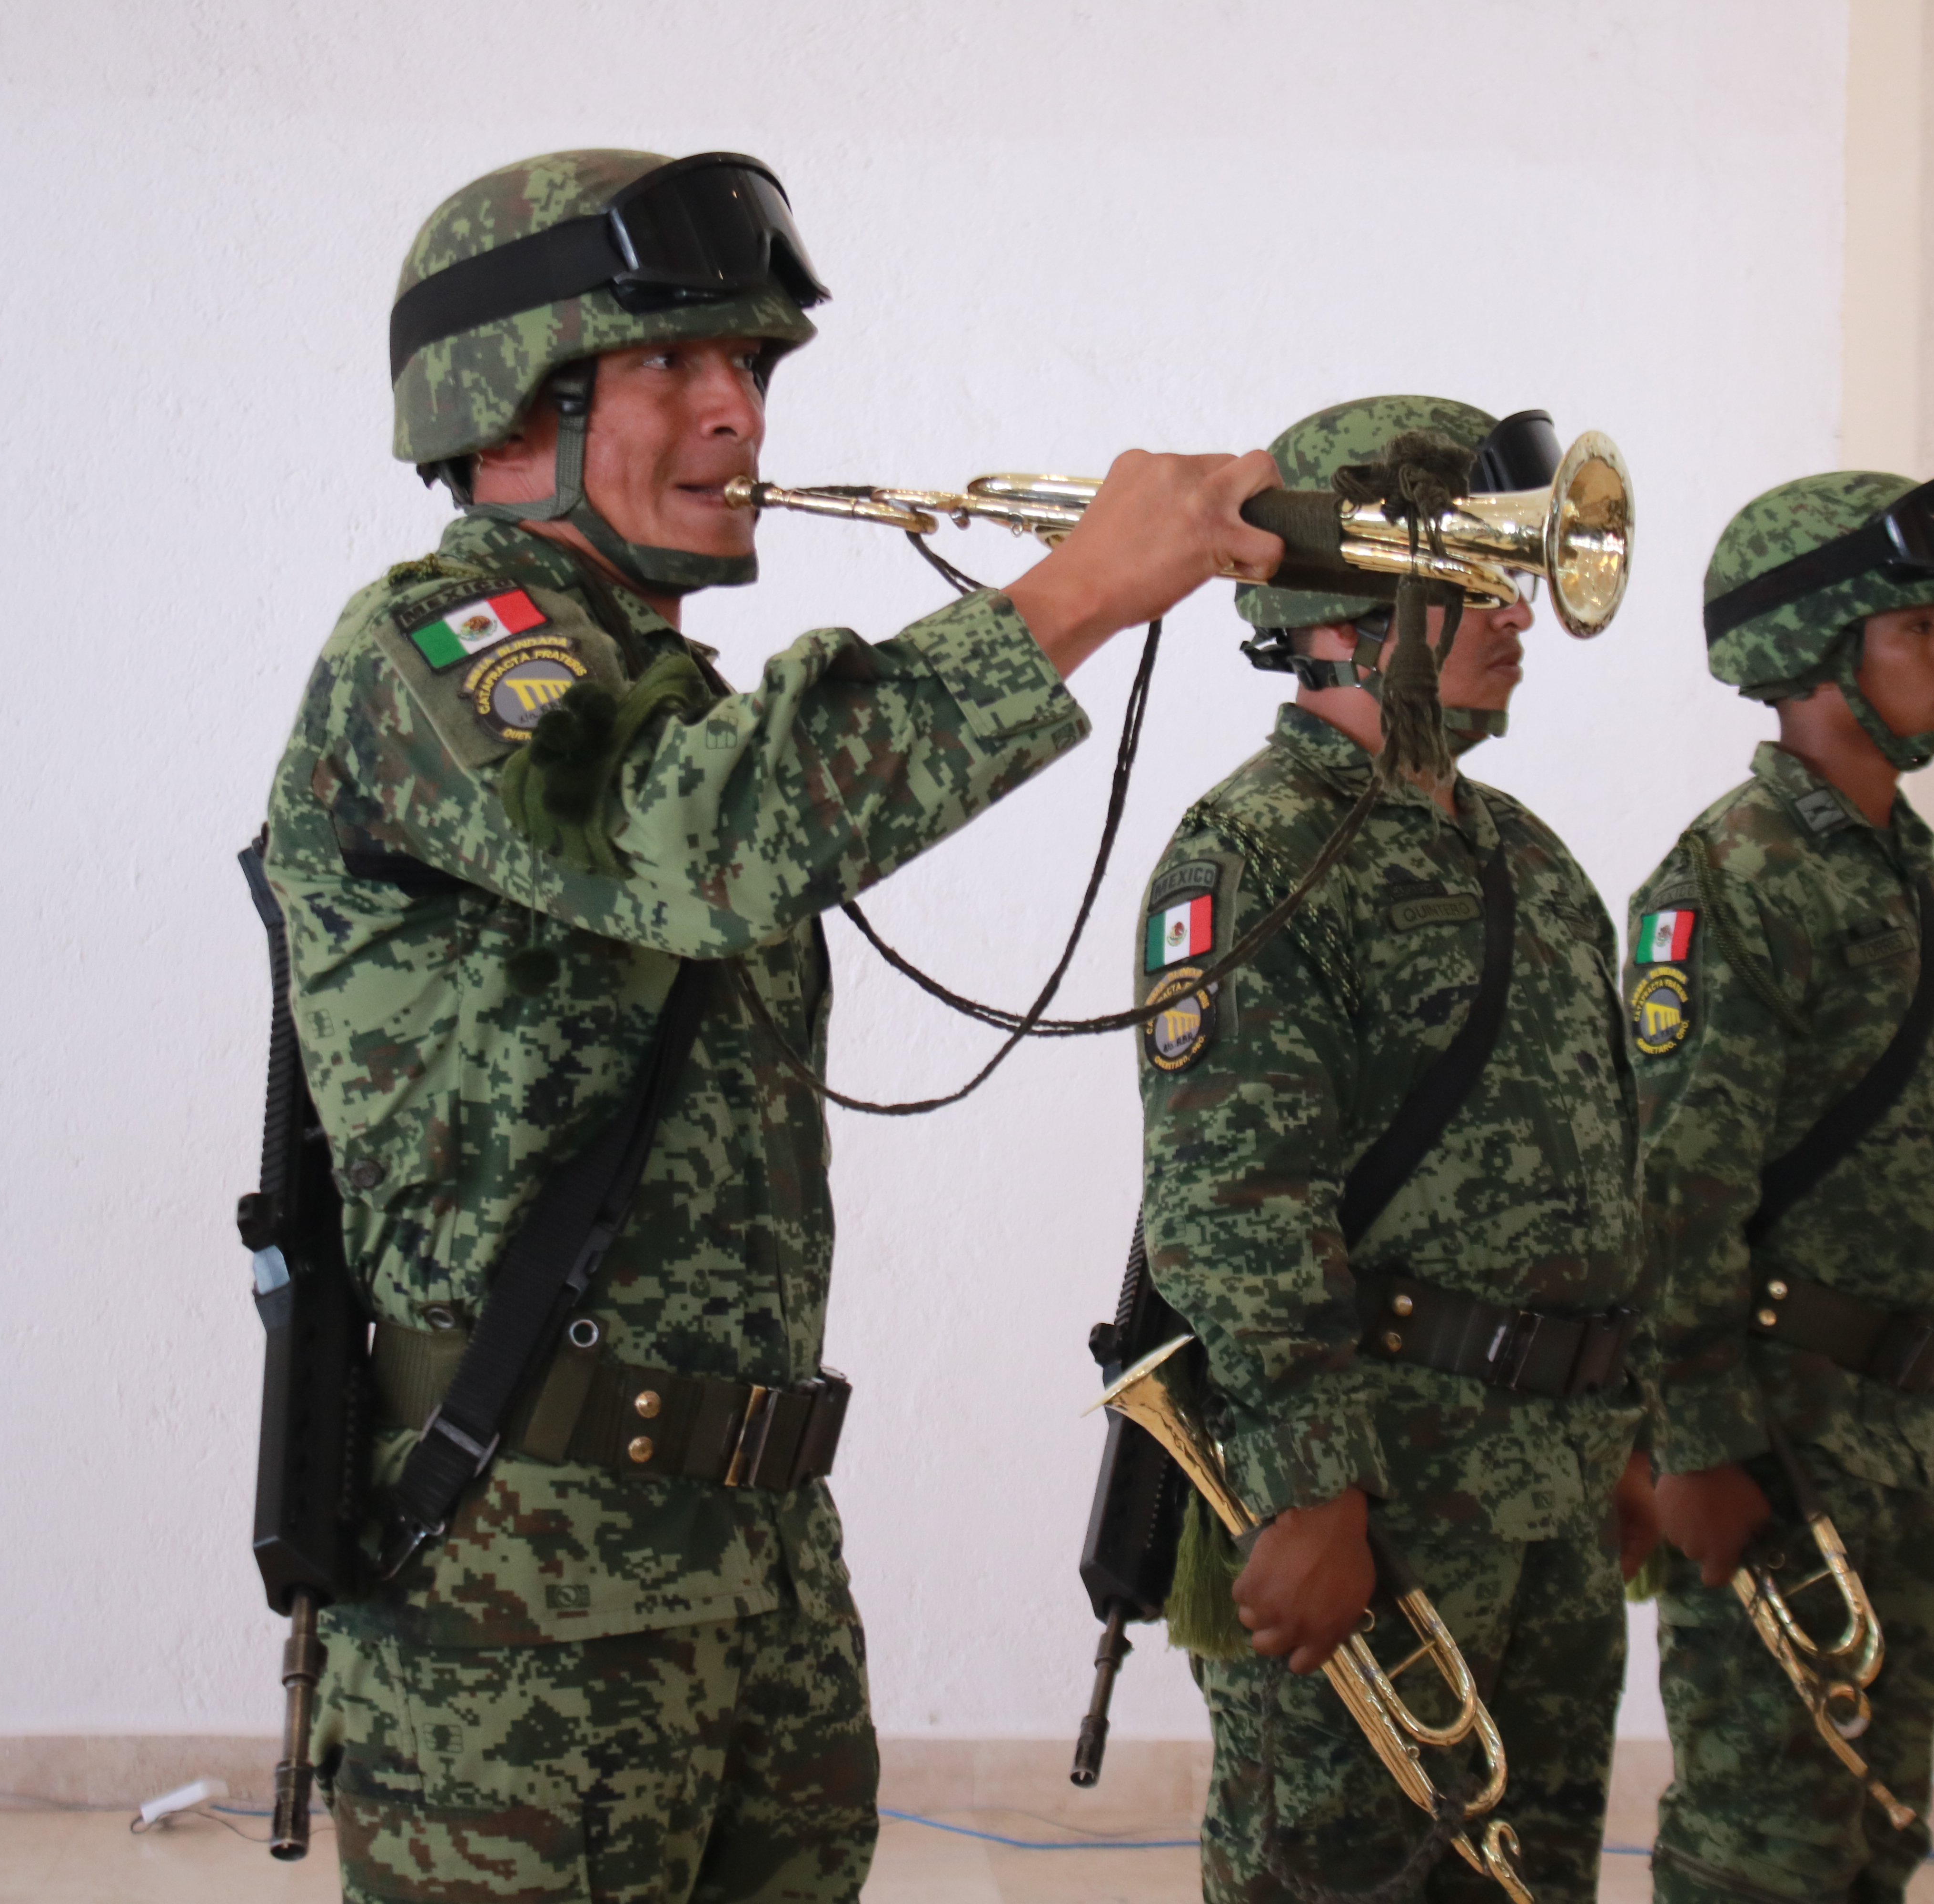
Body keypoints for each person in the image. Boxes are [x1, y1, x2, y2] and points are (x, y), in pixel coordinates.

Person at [264, 148, 1280, 1904]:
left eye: (755, 369)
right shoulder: (435, 648)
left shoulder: (646, 681)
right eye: (678, 367)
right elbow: (712, 838)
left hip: (751, 1562)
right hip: (525, 1583)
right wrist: (1080, 592)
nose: (740, 413)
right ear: (517, 396)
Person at [1133, 395, 1658, 1904]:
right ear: (1350, 610)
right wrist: (1312, 1493)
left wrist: (1620, 1422)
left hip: (1548, 1491)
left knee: (1527, 1880)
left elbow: (1603, 1166)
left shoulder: (1530, 860)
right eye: (1472, 577)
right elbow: (1233, 1200)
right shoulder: (1253, 851)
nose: (1518, 613)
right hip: (1382, 1490)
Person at [1626, 471, 1934, 1904]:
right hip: (1777, 1436)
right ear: (1824, 650)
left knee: (1875, 1825)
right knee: (1762, 1842)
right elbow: (1674, 1190)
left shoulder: (1902, 865)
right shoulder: (1735, 875)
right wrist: (1699, 1448)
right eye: (1920, 623)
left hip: (1894, 1425)